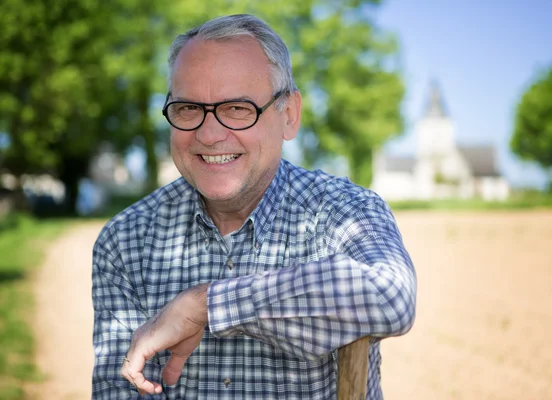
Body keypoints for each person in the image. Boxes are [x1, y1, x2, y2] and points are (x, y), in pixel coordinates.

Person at [92, 13, 416, 400]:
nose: (209, 134)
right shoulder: (124, 242)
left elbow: (390, 293)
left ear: (289, 115)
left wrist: (206, 305)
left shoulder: (344, 211)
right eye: (188, 108)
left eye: (238, 108)